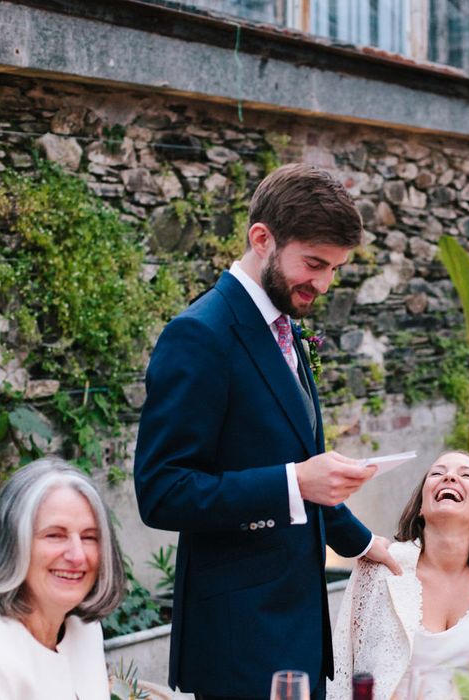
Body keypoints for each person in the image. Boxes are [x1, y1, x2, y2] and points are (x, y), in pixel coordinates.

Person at [134, 163, 400, 700]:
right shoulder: (199, 335)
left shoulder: (283, 326)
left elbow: (295, 457)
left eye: (335, 269)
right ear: (262, 239)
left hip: (296, 624)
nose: (323, 284)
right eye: (314, 264)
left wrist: (365, 543)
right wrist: (293, 483)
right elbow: (161, 491)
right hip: (238, 640)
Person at [329, 451, 469, 700]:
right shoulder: (380, 567)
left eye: (466, 475)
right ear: (420, 508)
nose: (449, 477)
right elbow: (345, 666)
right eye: (437, 473)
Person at [0, 457, 125, 699]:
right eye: (55, 535)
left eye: (89, 537)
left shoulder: (85, 630)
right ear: (12, 545)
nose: (77, 556)